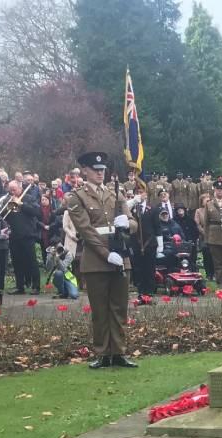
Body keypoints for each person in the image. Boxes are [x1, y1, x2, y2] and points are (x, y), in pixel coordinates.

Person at [65, 151, 138, 368]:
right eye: (95, 171)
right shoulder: (77, 197)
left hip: (120, 255)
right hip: (97, 260)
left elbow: (133, 223)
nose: (100, 174)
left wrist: (128, 223)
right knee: (100, 310)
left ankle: (119, 352)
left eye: (102, 170)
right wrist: (107, 255)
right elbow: (86, 231)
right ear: (85, 171)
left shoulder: (116, 193)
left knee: (119, 308)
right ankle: (102, 353)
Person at [5, 180, 43, 295]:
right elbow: (4, 216)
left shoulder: (29, 198)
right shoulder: (8, 200)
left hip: (27, 235)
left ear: (20, 188)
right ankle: (19, 287)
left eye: (14, 189)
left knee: (31, 261)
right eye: (10, 190)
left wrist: (22, 204)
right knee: (17, 262)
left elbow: (37, 212)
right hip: (14, 236)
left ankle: (36, 286)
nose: (12, 192)